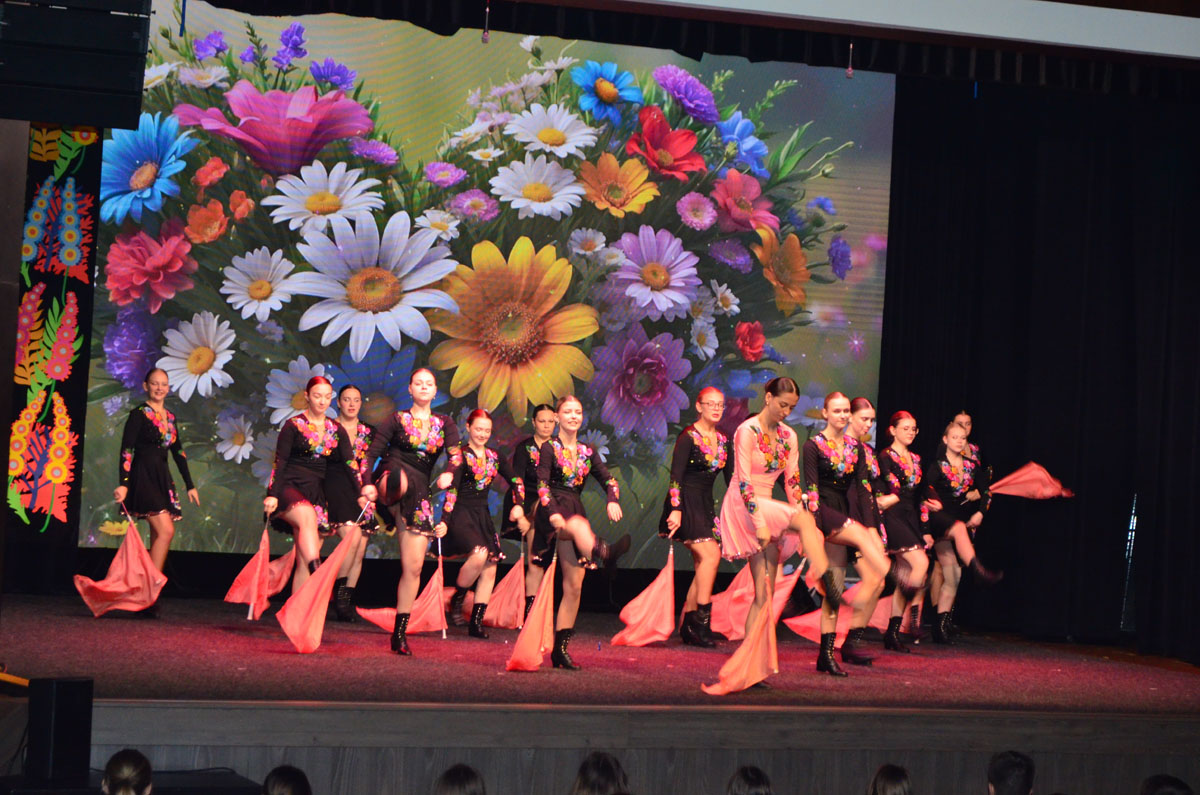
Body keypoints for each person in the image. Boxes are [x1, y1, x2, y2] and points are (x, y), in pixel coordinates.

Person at [714, 376, 835, 687]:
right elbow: (743, 482)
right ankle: (824, 577)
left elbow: (793, 482)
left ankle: (748, 668)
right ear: (768, 398)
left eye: (791, 407)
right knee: (805, 523)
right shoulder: (746, 430)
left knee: (764, 595)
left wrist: (797, 516)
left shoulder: (788, 436)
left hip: (767, 505)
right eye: (782, 405)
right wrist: (761, 523)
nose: (786, 412)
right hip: (744, 505)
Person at [361, 368, 460, 656]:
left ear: (435, 390)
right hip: (392, 473)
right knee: (398, 480)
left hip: (419, 491)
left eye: (429, 384)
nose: (424, 387)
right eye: (419, 383)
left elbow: (456, 457)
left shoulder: (445, 423)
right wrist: (366, 484)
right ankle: (388, 496)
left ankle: (399, 633)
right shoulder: (396, 419)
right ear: (410, 388)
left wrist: (449, 473)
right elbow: (371, 453)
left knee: (413, 567)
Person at [802, 392, 900, 676]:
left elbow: (863, 490)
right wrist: (815, 528)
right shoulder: (812, 446)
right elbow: (811, 491)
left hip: (845, 513)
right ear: (825, 413)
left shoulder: (856, 447)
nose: (843, 415)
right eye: (837, 411)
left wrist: (872, 527)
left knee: (834, 591)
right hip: (824, 512)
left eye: (846, 411)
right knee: (857, 541)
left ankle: (826, 655)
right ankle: (894, 574)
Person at [534, 395, 631, 669]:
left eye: (578, 412)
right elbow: (541, 483)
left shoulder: (588, 451)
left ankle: (560, 650)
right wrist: (552, 510)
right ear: (557, 417)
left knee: (574, 586)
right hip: (552, 508)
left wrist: (612, 499)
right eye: (568, 412)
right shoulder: (549, 448)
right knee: (576, 525)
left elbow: (609, 480)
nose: (574, 416)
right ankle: (606, 552)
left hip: (574, 507)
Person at [659, 387, 732, 647]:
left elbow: (732, 479)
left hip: (705, 504)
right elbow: (675, 477)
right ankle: (701, 623)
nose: (716, 408)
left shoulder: (723, 439)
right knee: (711, 556)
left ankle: (689, 625)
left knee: (704, 563)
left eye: (720, 404)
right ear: (699, 407)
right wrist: (676, 509)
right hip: (685, 503)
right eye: (711, 404)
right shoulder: (688, 437)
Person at [442, 409, 525, 638]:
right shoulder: (460, 455)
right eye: (478, 429)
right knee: (479, 555)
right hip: (460, 513)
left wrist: (518, 504)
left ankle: (476, 622)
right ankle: (458, 598)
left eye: (487, 431)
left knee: (490, 566)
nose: (482, 434)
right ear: (468, 427)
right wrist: (445, 520)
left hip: (482, 515)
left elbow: (517, 481)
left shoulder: (495, 456)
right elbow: (452, 491)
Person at [263, 375, 351, 593]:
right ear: (307, 396)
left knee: (302, 560)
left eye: (327, 397)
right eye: (317, 396)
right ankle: (318, 570)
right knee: (306, 515)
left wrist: (362, 491)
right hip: (290, 486)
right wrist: (272, 493)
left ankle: (298, 610)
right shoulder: (293, 426)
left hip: (318, 491)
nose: (322, 401)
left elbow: (349, 464)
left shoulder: (336, 429)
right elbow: (280, 461)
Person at [824, 396, 889, 667]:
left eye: (872, 420)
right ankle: (836, 645)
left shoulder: (866, 449)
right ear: (849, 416)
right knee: (844, 582)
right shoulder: (840, 447)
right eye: (864, 418)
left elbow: (869, 488)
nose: (868, 424)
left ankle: (853, 640)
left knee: (878, 581)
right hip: (846, 518)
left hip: (866, 518)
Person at [113, 368, 199, 574]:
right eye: (154, 383)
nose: (159, 388)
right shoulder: (139, 414)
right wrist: (124, 484)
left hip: (162, 478)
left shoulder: (170, 417)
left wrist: (190, 485)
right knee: (166, 530)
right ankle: (152, 583)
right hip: (143, 477)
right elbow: (127, 450)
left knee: (158, 533)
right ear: (146, 386)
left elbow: (178, 452)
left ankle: (149, 586)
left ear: (168, 388)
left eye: (163, 384)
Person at [924, 422, 1002, 644]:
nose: (959, 441)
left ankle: (940, 628)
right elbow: (924, 491)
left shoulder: (971, 466)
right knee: (958, 529)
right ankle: (977, 569)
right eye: (954, 437)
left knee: (953, 575)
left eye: (962, 438)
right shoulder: (937, 466)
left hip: (958, 521)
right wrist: (929, 512)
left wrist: (980, 513)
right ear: (945, 440)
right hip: (939, 520)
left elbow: (987, 491)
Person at [876, 411, 934, 653]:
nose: (911, 432)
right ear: (893, 430)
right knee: (920, 563)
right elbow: (888, 487)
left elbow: (921, 492)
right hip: (893, 515)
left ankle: (892, 633)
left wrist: (927, 522)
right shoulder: (885, 456)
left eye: (914, 429)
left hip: (911, 516)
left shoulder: (916, 458)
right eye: (906, 428)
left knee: (907, 574)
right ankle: (912, 611)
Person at [503, 403, 557, 619]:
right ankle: (531, 614)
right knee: (536, 560)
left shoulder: (560, 447)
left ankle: (544, 610)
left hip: (554, 506)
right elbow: (518, 481)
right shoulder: (525, 448)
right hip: (530, 505)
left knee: (551, 561)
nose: (546, 425)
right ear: (534, 422)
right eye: (542, 421)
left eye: (550, 421)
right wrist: (522, 514)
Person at [325, 384, 373, 621]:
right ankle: (332, 594)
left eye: (356, 400)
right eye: (346, 399)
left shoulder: (368, 432)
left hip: (361, 492)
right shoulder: (328, 428)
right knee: (351, 540)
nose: (351, 404)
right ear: (338, 403)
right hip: (335, 487)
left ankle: (344, 602)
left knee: (360, 548)